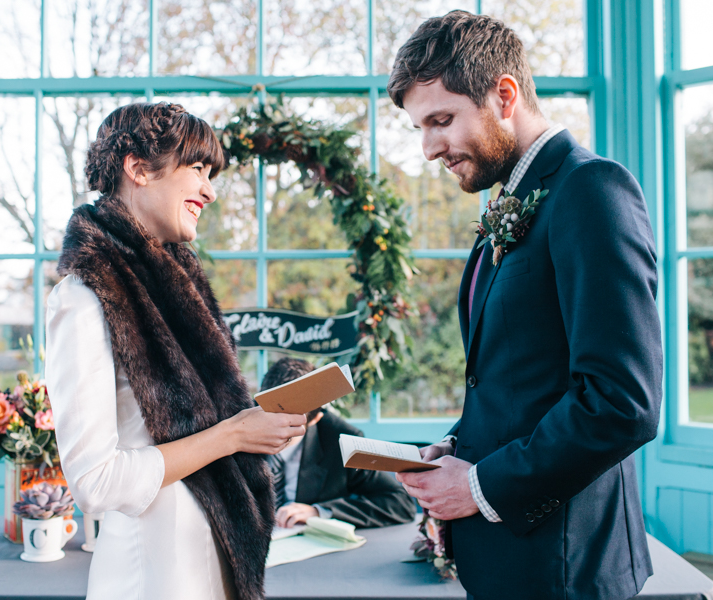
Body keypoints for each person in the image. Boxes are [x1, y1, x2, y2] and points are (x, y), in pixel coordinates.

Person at [387, 11, 663, 600]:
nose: (431, 148)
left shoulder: (591, 190)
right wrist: (460, 448)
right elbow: (516, 380)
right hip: (509, 563)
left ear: (504, 95)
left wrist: (483, 483)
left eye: (441, 120)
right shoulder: (514, 199)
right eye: (420, 128)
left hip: (566, 567)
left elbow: (623, 400)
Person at [45, 102, 307, 600]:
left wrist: (256, 430)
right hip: (154, 582)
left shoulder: (177, 292)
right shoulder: (83, 299)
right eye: (197, 170)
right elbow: (96, 483)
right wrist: (233, 436)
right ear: (139, 168)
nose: (209, 191)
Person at [261, 358, 417, 529]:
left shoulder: (340, 441)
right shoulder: (239, 424)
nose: (276, 430)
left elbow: (400, 503)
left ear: (315, 420)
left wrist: (320, 512)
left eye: (289, 425)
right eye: (271, 418)